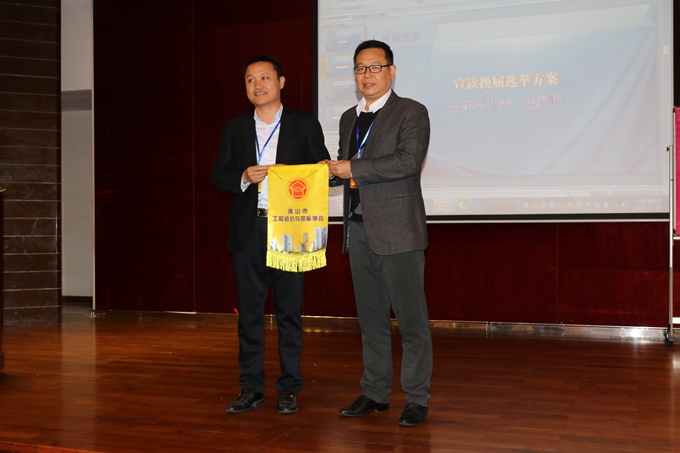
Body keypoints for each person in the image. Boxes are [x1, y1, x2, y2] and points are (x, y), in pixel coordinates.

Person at [211, 55, 330, 415]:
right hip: (249, 230)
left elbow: (323, 172)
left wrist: (312, 172)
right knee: (249, 313)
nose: (257, 85)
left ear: (281, 82)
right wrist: (244, 177)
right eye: (250, 79)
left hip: (290, 227)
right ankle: (251, 387)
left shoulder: (304, 124)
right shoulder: (234, 128)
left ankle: (289, 387)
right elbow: (219, 176)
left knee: (289, 312)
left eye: (264, 77)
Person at [327, 40, 433, 426]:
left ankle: (417, 397)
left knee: (411, 321)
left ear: (392, 71)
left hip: (398, 231)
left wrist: (352, 168)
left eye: (374, 67)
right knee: (370, 319)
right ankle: (375, 391)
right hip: (358, 231)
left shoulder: (411, 111)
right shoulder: (348, 117)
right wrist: (324, 172)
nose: (366, 75)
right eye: (360, 68)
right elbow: (346, 169)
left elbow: (408, 161)